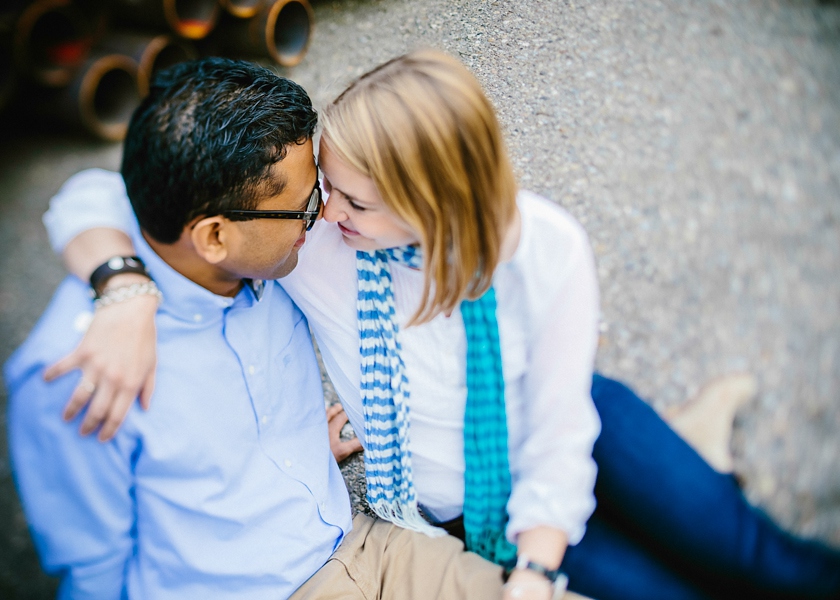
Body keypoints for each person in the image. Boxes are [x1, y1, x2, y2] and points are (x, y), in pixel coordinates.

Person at [40, 51, 840, 599]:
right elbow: (125, 191)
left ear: (430, 204)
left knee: (757, 561)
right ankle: (702, 456)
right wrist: (122, 287)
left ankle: (700, 463)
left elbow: (562, 429)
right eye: (321, 191)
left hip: (574, 441)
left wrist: (540, 555)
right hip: (467, 506)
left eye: (352, 199)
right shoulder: (309, 244)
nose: (324, 211)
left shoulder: (543, 247)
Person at [5, 57, 584, 600]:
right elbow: (94, 575)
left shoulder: (266, 259)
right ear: (213, 237)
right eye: (309, 205)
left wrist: (283, 461)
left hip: (370, 546)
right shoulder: (79, 374)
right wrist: (123, 294)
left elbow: (96, 191)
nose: (326, 217)